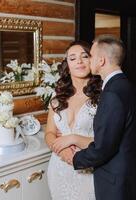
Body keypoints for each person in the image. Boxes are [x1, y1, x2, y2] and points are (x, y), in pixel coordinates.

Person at [53, 35, 136, 200]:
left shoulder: (111, 93)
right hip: (128, 174)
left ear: (101, 60)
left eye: (90, 56)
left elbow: (103, 147)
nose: (87, 60)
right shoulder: (126, 86)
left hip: (115, 180)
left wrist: (75, 158)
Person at [45, 41, 102, 200]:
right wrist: (62, 151)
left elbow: (107, 141)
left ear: (92, 61)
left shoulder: (102, 96)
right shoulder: (57, 97)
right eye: (73, 58)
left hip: (88, 169)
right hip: (59, 169)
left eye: (85, 56)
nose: (79, 61)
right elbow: (49, 133)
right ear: (67, 65)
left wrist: (74, 141)